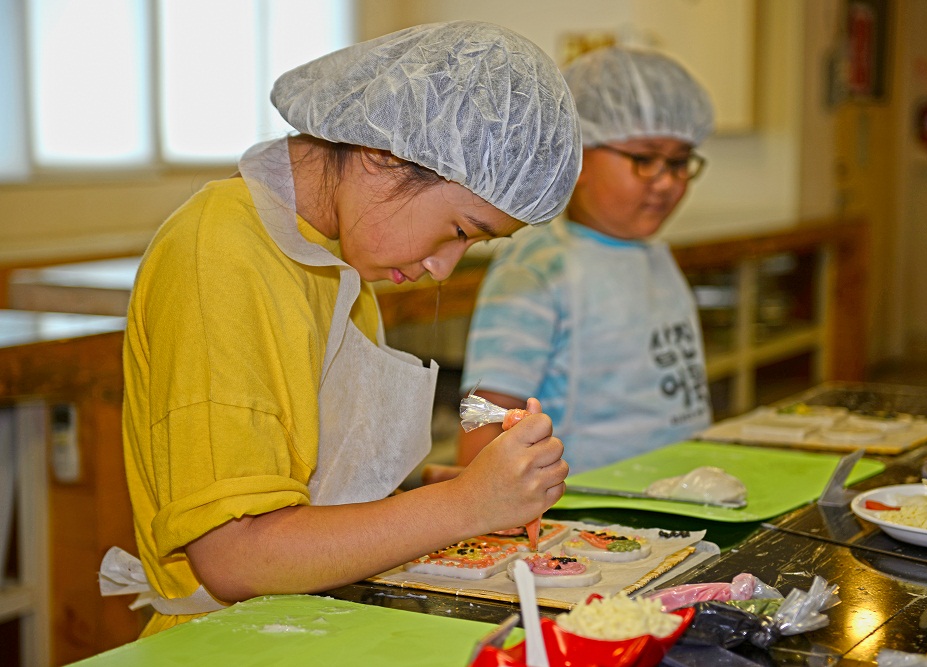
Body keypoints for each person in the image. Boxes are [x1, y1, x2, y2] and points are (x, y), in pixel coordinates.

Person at [99, 21, 580, 636]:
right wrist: (462, 506)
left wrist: (419, 492)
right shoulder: (219, 254)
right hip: (228, 642)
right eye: (461, 231)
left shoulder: (331, 260)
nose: (442, 267)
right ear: (385, 156)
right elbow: (235, 556)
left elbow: (300, 481)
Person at [458, 46, 714, 474]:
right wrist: (478, 505)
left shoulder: (652, 254)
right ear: (575, 153)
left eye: (680, 162)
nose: (667, 182)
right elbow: (486, 411)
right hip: (585, 511)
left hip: (675, 490)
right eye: (644, 160)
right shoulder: (538, 267)